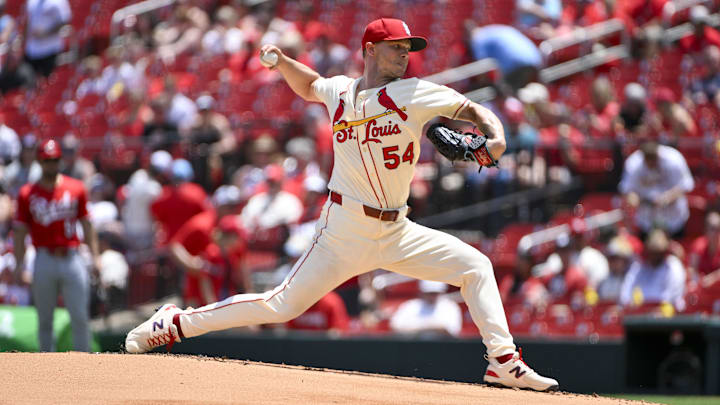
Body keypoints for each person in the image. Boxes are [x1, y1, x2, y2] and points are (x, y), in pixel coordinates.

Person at [125, 17, 559, 392]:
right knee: (280, 305)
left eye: (409, 47)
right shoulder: (340, 92)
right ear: (370, 50)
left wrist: (497, 137)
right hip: (343, 228)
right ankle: (175, 323)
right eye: (396, 48)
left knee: (476, 266)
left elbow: (473, 109)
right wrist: (281, 63)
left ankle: (502, 362)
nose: (405, 54)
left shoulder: (414, 92)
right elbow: (310, 84)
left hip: (397, 230)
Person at [13, 139, 101, 352]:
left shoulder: (76, 188)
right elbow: (20, 233)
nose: (50, 164)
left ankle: (84, 367)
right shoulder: (27, 193)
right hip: (44, 257)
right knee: (45, 320)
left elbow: (87, 225)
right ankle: (47, 371)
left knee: (80, 317)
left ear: (60, 160)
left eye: (54, 160)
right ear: (39, 161)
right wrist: (19, 264)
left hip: (72, 256)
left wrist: (95, 257)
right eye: (46, 160)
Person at [619, 140, 694, 238]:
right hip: (647, 219)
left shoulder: (674, 159)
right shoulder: (634, 163)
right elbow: (627, 190)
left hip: (673, 218)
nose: (651, 164)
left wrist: (666, 198)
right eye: (648, 161)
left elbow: (687, 185)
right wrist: (635, 199)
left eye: (654, 160)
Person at [619, 228, 685, 310]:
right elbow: (625, 295)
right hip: (640, 314)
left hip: (668, 316)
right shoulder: (638, 267)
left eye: (658, 253)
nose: (654, 256)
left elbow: (671, 297)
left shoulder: (673, 265)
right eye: (652, 252)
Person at [389, 280, 463, 337]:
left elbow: (452, 330)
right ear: (422, 292)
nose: (432, 296)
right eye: (429, 293)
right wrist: (434, 327)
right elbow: (396, 326)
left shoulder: (450, 307)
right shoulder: (410, 306)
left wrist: (416, 327)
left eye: (435, 293)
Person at [24, 0, 72, 77]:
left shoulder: (58, 2)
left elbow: (64, 21)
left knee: (49, 82)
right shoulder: (32, 1)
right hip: (32, 50)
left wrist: (46, 33)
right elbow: (28, 21)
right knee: (30, 82)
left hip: (50, 49)